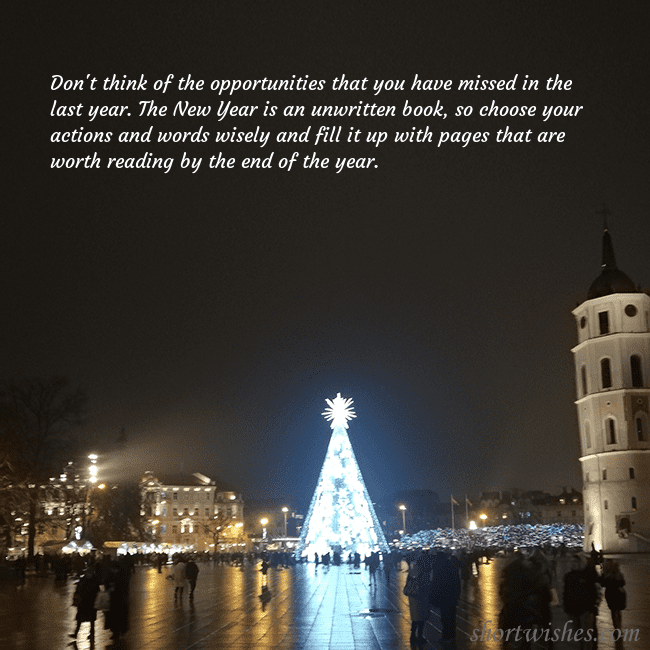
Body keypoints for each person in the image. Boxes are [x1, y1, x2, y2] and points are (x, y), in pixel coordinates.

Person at [70, 568, 101, 641]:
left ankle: (91, 634)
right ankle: (76, 633)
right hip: (84, 603)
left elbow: (97, 592)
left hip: (90, 603)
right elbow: (78, 590)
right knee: (81, 619)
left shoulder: (93, 581)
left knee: (91, 620)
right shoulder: (85, 580)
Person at [407, 552, 431, 645]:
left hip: (413, 596)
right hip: (421, 596)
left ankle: (413, 635)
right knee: (421, 617)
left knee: (415, 617)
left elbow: (408, 583)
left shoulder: (413, 571)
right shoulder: (424, 572)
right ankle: (420, 635)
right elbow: (426, 585)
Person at [599, 559, 626, 630]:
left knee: (613, 611)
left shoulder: (606, 574)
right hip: (618, 593)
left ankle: (616, 627)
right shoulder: (618, 573)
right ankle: (619, 626)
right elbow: (623, 583)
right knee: (618, 611)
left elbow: (602, 584)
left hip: (610, 593)